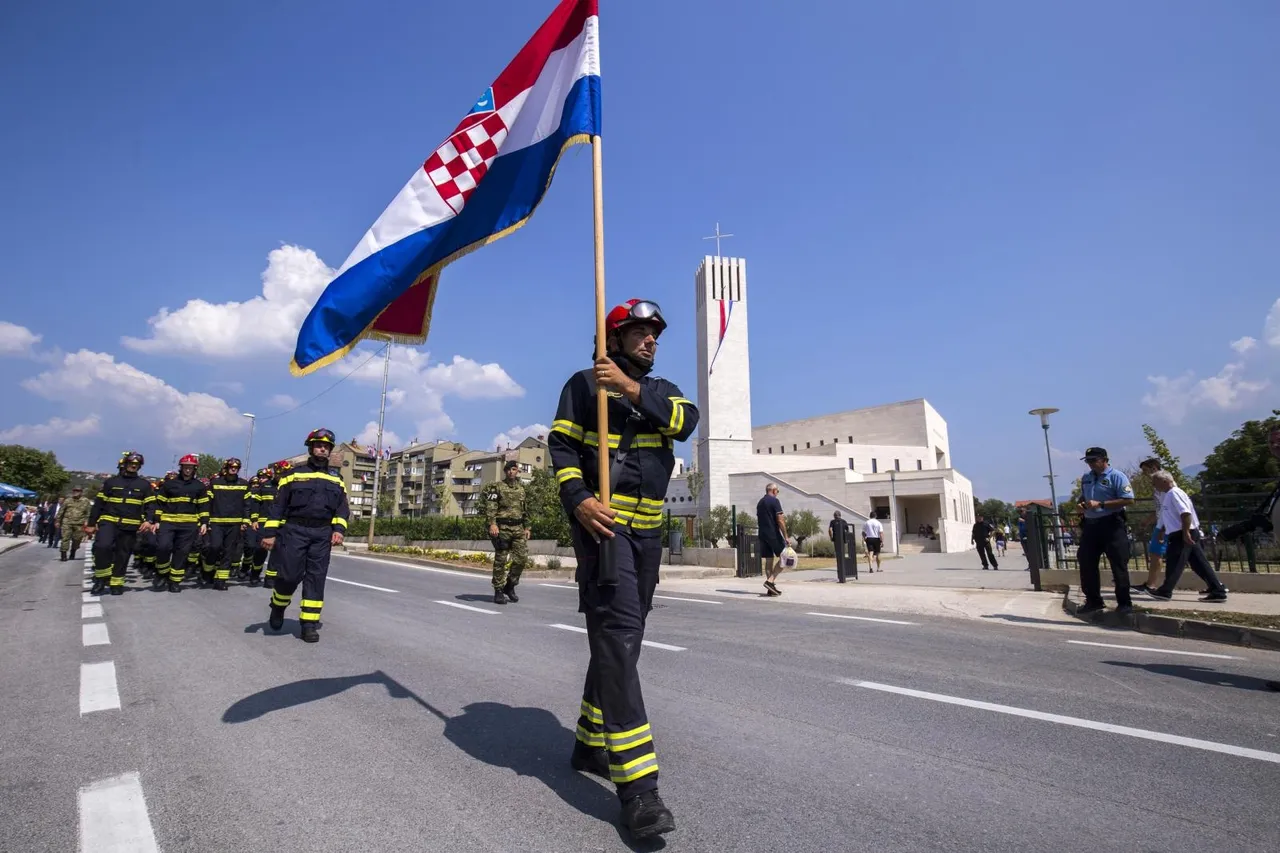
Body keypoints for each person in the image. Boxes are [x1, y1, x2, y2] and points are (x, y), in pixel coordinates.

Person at [548, 298, 696, 840]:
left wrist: (630, 389)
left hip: (649, 538)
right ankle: (639, 793)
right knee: (615, 640)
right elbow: (561, 447)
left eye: (654, 333)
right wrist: (580, 498)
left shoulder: (662, 392)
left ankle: (590, 741)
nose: (651, 340)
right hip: (604, 534)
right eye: (638, 332)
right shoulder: (583, 386)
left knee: (624, 643)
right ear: (612, 339)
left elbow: (686, 422)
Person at [261, 429, 349, 643]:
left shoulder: (336, 479)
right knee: (289, 576)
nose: (323, 448)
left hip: (321, 534)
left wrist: (338, 529)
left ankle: (308, 624)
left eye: (327, 446)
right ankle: (278, 606)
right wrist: (270, 533)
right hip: (294, 531)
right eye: (319, 445)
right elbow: (278, 506)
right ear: (311, 447)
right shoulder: (293, 474)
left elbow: (342, 509)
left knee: (316, 578)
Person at [1146, 471, 1227, 602]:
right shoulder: (1168, 495)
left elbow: (1185, 514)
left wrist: (1186, 532)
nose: (1154, 486)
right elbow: (1173, 516)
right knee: (1199, 563)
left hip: (1182, 533)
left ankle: (1165, 591)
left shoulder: (1174, 493)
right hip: (1180, 532)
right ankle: (1217, 589)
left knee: (1174, 562)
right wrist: (1163, 529)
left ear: (1164, 481)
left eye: (1155, 483)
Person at [1075, 447, 1136, 615]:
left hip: (1111, 523)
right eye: (1088, 461)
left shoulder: (1116, 476)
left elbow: (1129, 500)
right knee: (1086, 561)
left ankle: (1124, 603)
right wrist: (1081, 504)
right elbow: (1084, 496)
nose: (1090, 464)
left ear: (1104, 459)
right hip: (1091, 524)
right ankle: (1093, 600)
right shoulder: (1087, 478)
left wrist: (1101, 505)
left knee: (1118, 563)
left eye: (1094, 460)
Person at [86, 452, 156, 595]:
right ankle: (101, 578)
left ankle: (116, 582)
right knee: (102, 546)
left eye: (136, 465)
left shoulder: (144, 485)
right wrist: (92, 523)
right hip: (109, 521)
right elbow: (99, 504)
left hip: (130, 525)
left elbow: (151, 506)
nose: (133, 466)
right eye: (131, 464)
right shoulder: (111, 482)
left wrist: (149, 521)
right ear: (125, 464)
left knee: (122, 554)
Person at [153, 457, 209, 592]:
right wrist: (156, 520)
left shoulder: (199, 486)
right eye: (185, 466)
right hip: (168, 522)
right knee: (163, 547)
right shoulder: (169, 485)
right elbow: (159, 503)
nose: (188, 469)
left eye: (191, 467)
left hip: (188, 525)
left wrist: (204, 523)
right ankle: (162, 574)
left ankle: (175, 580)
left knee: (182, 552)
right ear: (181, 467)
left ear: (195, 469)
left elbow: (203, 506)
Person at [485, 460, 531, 604]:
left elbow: (525, 510)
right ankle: (498, 590)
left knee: (521, 559)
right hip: (502, 528)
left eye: (514, 469)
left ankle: (510, 586)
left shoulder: (522, 489)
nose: (511, 472)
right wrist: (492, 524)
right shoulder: (497, 487)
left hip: (518, 528)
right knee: (501, 560)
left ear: (517, 471)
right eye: (508, 469)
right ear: (505, 471)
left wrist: (527, 527)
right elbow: (491, 507)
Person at [205, 458, 250, 591]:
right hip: (216, 522)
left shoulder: (244, 484)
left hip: (234, 523)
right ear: (226, 468)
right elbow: (208, 503)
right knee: (214, 547)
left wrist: (245, 521)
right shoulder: (215, 483)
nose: (234, 469)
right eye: (231, 466)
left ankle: (221, 580)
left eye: (236, 467)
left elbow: (247, 505)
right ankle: (207, 572)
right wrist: (205, 520)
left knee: (228, 551)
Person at [1132, 458, 1167, 595]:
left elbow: (1167, 507)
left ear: (1153, 468)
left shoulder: (1164, 484)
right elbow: (1159, 508)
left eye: (1145, 471)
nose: (1144, 474)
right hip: (1162, 523)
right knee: (1155, 554)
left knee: (1156, 554)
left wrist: (1162, 528)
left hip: (1165, 525)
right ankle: (1150, 584)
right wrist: (1148, 520)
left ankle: (1152, 585)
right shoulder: (1157, 487)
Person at [756, 484, 788, 596]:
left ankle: (771, 588)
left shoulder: (760, 502)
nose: (777, 493)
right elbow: (780, 520)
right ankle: (770, 581)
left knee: (769, 560)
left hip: (762, 534)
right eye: (777, 491)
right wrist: (786, 536)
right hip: (773, 534)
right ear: (774, 491)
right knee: (785, 557)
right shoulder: (775, 501)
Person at [57, 487, 92, 562]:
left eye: (78, 491)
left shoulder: (85, 501)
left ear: (81, 492)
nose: (76, 492)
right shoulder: (68, 500)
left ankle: (73, 551)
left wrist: (87, 521)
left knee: (77, 539)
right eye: (74, 490)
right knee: (65, 538)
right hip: (67, 522)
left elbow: (88, 513)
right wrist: (57, 521)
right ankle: (63, 555)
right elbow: (61, 511)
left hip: (79, 523)